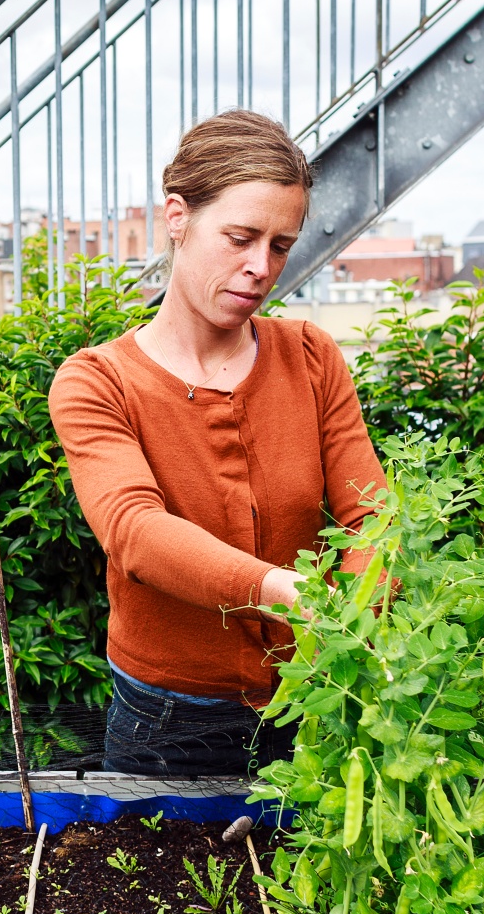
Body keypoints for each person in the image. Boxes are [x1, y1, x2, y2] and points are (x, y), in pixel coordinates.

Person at [49, 110, 387, 777]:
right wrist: (284, 591)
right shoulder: (98, 381)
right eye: (240, 237)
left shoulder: (311, 357)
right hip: (167, 725)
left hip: (318, 702)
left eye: (281, 245)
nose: (261, 267)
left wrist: (347, 636)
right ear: (177, 216)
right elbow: (135, 533)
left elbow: (372, 514)